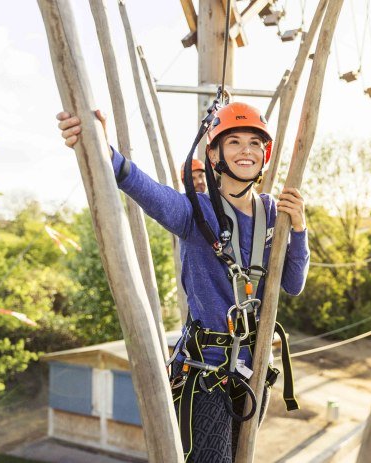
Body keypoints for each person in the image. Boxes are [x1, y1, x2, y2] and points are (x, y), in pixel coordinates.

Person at [56, 102, 309, 463]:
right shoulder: (195, 213)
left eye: (254, 143)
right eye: (234, 142)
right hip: (207, 372)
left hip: (254, 370)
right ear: (214, 153)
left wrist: (299, 228)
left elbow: (294, 284)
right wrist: (103, 149)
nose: (246, 151)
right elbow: (145, 190)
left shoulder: (274, 213)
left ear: (264, 153)